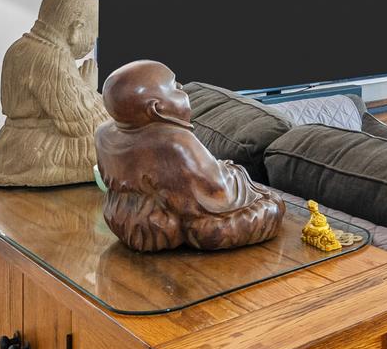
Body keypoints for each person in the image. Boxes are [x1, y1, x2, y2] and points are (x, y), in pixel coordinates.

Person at [95, 59, 283, 251]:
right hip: (163, 228)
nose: (183, 89)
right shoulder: (175, 142)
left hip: (121, 222)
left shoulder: (103, 133)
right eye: (175, 87)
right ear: (157, 109)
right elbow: (219, 193)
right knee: (271, 206)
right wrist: (234, 172)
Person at [0, 0, 105, 188]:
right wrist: (90, 89)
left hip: (9, 144)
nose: (93, 42)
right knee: (114, 145)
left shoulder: (18, 47)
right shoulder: (52, 57)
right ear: (77, 29)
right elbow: (80, 122)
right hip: (36, 150)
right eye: (94, 34)